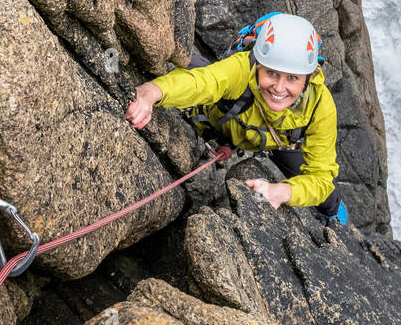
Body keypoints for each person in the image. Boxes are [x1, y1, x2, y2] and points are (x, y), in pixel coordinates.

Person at [124, 12, 348, 225]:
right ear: (259, 66)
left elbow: (321, 177)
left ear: (309, 78)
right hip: (224, 122)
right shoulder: (242, 68)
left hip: (278, 141)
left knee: (328, 195)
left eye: (292, 78)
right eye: (271, 73)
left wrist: (283, 192)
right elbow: (203, 82)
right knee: (189, 66)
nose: (279, 88)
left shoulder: (320, 105)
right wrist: (152, 91)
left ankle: (335, 214)